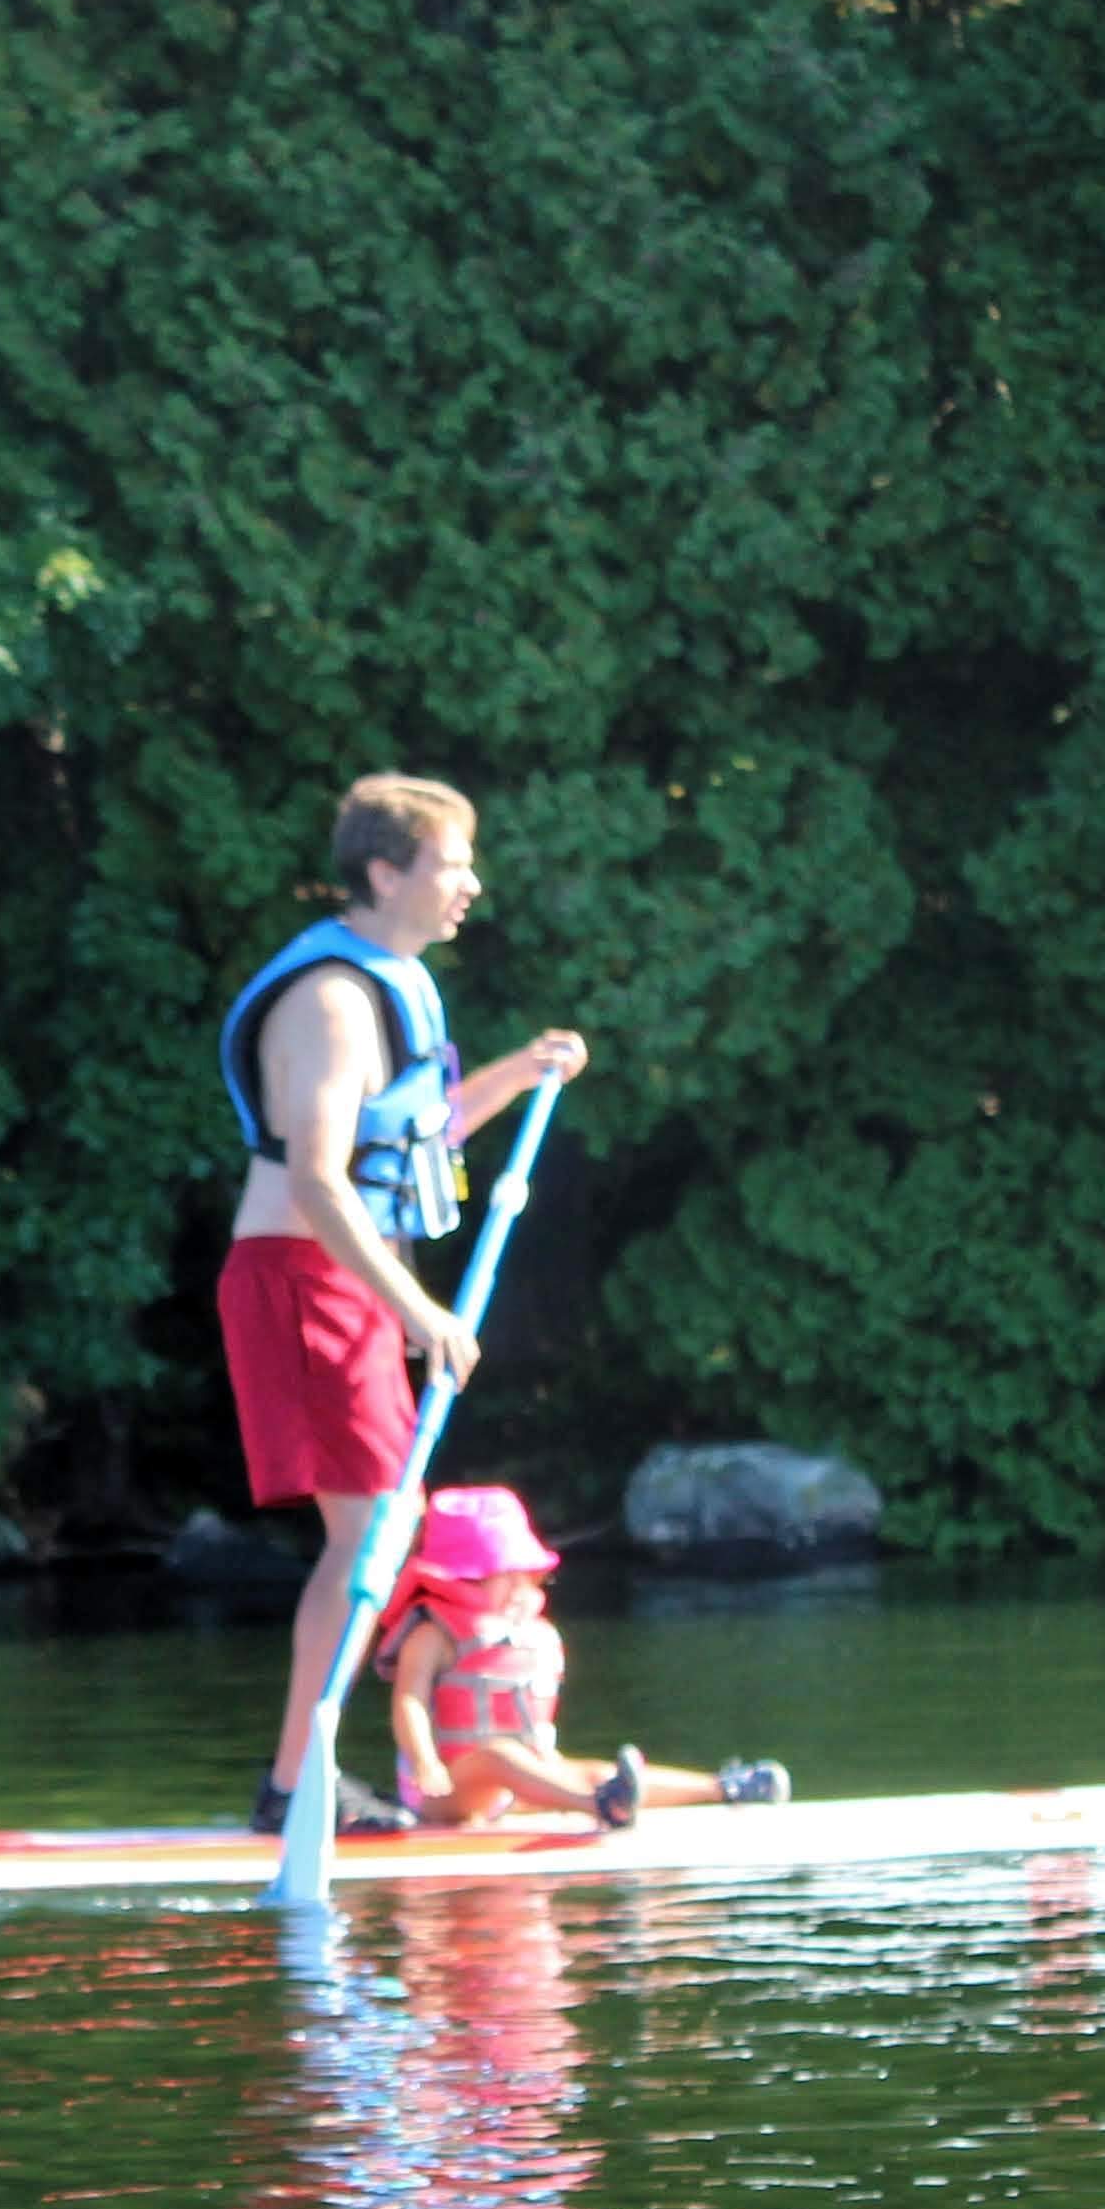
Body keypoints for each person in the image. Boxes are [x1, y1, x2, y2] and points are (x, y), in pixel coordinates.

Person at [216, 773, 585, 1833]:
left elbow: (414, 1137)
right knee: (376, 1529)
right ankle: (296, 1788)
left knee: (381, 1527)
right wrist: (418, 1312)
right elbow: (320, 1181)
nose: (469, 883)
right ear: (386, 873)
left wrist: (522, 1071)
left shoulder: (393, 986)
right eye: (450, 863)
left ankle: (307, 1781)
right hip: (304, 1276)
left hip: (346, 1279)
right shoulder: (331, 1000)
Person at [376, 1486, 792, 1827]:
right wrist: (425, 1762)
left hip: (509, 1789)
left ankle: (722, 1787)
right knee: (500, 1757)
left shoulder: (518, 1629)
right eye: (486, 1575)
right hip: (445, 1790)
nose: (503, 1584)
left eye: (506, 1572)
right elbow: (408, 1703)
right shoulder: (431, 1634)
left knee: (591, 1771)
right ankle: (600, 1806)